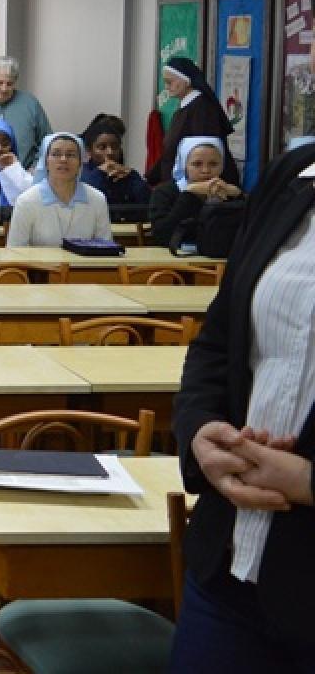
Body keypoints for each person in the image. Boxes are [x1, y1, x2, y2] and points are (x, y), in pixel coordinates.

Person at [169, 141, 315, 672]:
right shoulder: (294, 176)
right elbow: (219, 339)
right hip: (232, 560)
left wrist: (307, 480)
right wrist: (202, 430)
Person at [147, 56, 240, 188]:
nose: (166, 87)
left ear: (186, 81)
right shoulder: (185, 108)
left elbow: (206, 154)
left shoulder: (202, 109)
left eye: (170, 82)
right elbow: (171, 152)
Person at [5, 131, 112, 246]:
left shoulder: (97, 199)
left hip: (84, 265)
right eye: (56, 154)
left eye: (71, 155)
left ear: (81, 163)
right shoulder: (26, 201)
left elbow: (106, 249)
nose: (63, 159)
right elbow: (15, 251)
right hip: (38, 264)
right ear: (45, 162)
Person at [148, 137, 243, 251]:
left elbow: (248, 235)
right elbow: (162, 237)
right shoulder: (164, 192)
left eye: (213, 164)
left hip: (222, 262)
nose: (206, 170)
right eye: (197, 164)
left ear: (222, 166)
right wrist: (189, 194)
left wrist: (239, 197)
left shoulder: (228, 191)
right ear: (185, 165)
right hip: (175, 264)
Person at [79, 113, 150, 220]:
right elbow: (87, 198)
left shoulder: (127, 173)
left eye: (115, 146)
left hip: (128, 233)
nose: (110, 152)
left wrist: (132, 176)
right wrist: (100, 173)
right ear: (89, 151)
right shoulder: (82, 173)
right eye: (102, 147)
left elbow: (147, 203)